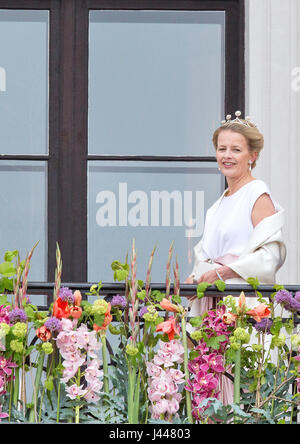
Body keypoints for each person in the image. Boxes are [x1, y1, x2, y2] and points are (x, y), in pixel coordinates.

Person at [185, 111, 286, 403]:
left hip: (242, 308)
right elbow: (205, 255)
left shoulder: (257, 193)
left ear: (252, 155)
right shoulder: (218, 204)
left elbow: (271, 256)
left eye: (236, 150)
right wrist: (197, 276)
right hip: (214, 310)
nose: (227, 156)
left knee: (242, 390)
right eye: (222, 149)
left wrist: (226, 271)